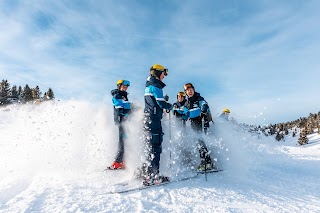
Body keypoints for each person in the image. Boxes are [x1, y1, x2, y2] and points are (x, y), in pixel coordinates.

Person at [142, 64, 172, 185]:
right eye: (164, 73)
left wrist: (162, 99)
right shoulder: (155, 85)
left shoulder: (150, 85)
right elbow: (160, 103)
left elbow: (155, 100)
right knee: (155, 146)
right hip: (154, 120)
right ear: (158, 73)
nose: (164, 76)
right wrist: (169, 106)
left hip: (148, 119)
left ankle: (148, 173)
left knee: (150, 146)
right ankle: (153, 176)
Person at [183, 83, 214, 171]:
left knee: (200, 142)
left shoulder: (198, 99)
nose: (190, 91)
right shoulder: (187, 103)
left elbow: (204, 103)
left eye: (191, 89)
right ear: (186, 92)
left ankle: (207, 162)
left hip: (201, 121)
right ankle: (205, 161)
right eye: (187, 90)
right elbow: (186, 114)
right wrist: (181, 116)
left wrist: (204, 107)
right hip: (194, 123)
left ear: (194, 90)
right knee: (198, 143)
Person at [108, 79, 131, 170]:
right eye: (123, 86)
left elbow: (127, 106)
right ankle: (117, 162)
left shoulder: (124, 96)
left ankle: (122, 161)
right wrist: (128, 111)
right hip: (121, 121)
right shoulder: (117, 95)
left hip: (125, 121)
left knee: (125, 141)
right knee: (122, 141)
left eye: (126, 87)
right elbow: (119, 109)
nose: (125, 88)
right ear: (119, 86)